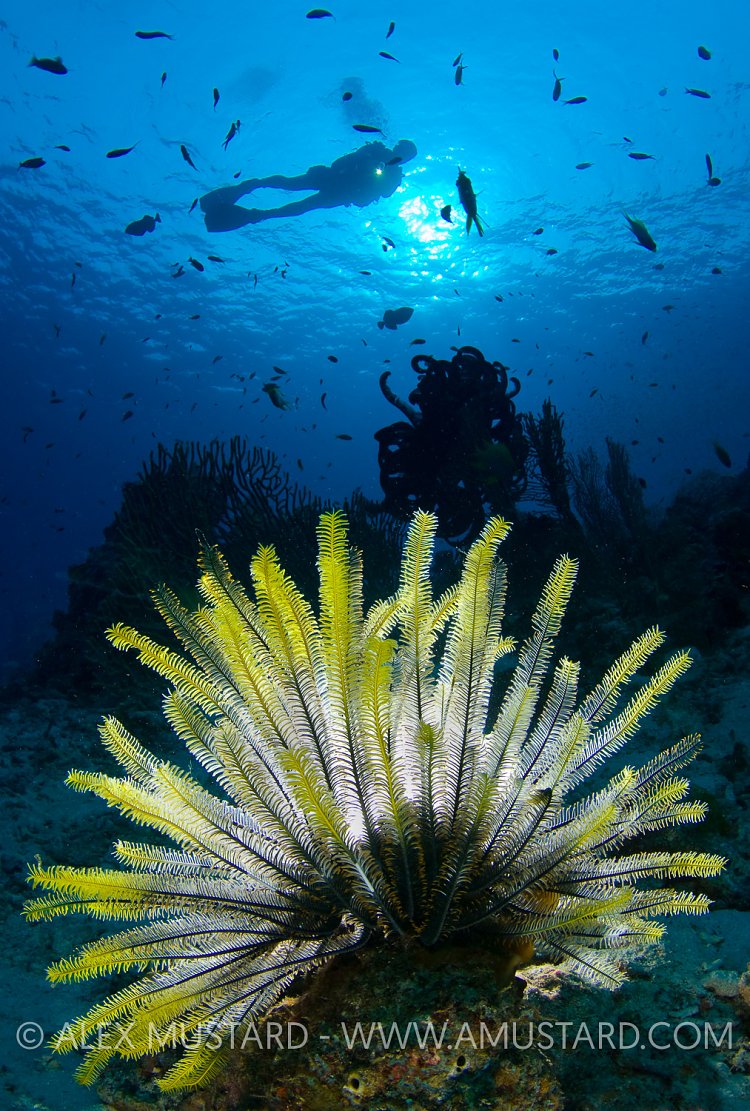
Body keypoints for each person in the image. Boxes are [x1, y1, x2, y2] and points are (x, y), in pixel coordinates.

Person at [200, 139, 417, 232]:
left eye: (404, 154)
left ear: (406, 159)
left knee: (301, 207)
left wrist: (382, 175)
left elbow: (382, 194)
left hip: (341, 194)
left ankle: (256, 214)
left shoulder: (395, 177)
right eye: (401, 148)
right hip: (331, 178)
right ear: (397, 145)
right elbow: (347, 159)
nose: (400, 153)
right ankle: (248, 187)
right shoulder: (376, 148)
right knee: (288, 183)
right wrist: (370, 160)